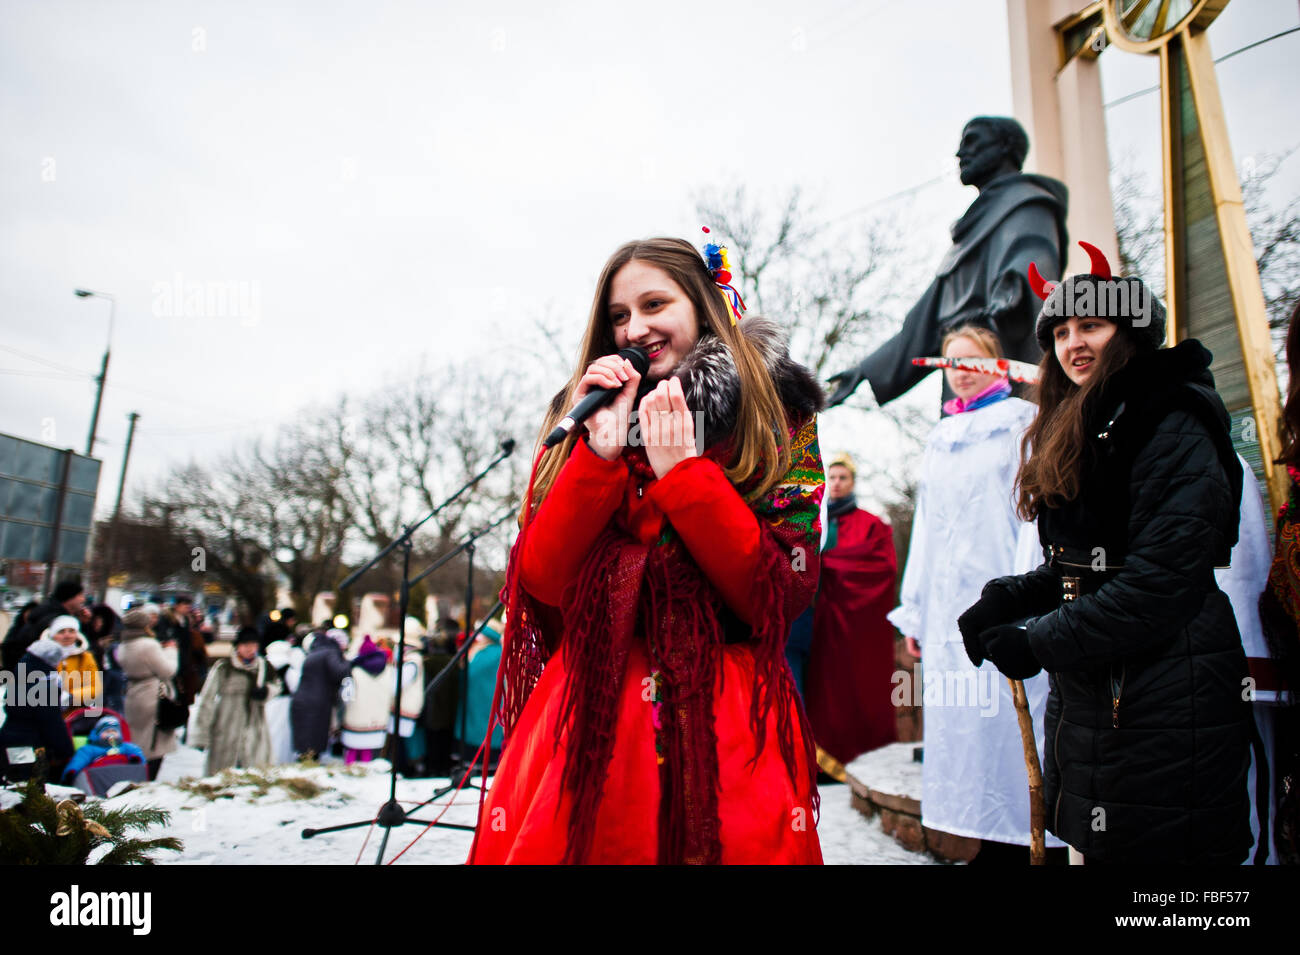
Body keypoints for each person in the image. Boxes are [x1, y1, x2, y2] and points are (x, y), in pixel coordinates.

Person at [468, 236, 826, 865]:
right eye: (619, 315)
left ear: (703, 305)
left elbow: (777, 594)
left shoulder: (777, 414)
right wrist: (596, 460)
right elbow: (544, 583)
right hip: (588, 712)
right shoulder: (586, 413)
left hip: (726, 713)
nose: (636, 327)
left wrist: (686, 474)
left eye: (654, 303)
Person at [958, 248, 1251, 864]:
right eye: (1061, 332)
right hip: (1099, 695)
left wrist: (1036, 642)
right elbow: (1084, 564)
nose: (1073, 343)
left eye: (1091, 325)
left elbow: (1157, 585)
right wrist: (1008, 598)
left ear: (1130, 330)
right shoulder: (1090, 422)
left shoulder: (1171, 418)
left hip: (1168, 693)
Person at [888, 324, 1062, 862]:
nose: (961, 370)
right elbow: (928, 529)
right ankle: (985, 837)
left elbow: (1031, 517)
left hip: (1001, 593)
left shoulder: (1020, 426)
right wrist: (915, 612)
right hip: (947, 610)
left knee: (1012, 722)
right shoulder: (942, 438)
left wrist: (1020, 599)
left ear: (996, 364)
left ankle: (1029, 838)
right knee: (966, 730)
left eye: (972, 360)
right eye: (951, 363)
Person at [826, 116, 1067, 410]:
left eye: (972, 141)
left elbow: (1033, 260)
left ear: (1005, 147)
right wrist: (863, 371)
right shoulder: (971, 229)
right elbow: (924, 323)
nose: (960, 153)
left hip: (1003, 378)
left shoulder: (1027, 204)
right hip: (960, 381)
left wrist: (1013, 285)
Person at [800, 453, 898, 775]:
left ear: (853, 482)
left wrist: (829, 566)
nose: (837, 483)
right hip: (818, 626)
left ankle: (864, 762)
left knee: (859, 689)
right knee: (821, 693)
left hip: (857, 630)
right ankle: (821, 765)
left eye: (843, 478)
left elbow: (882, 570)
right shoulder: (813, 522)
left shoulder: (873, 525)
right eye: (833, 477)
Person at [190, 627, 277, 775]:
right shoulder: (224, 668)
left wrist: (266, 692)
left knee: (254, 774)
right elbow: (207, 700)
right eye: (246, 645)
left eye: (254, 645)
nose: (250, 649)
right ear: (238, 646)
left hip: (255, 729)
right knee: (221, 774)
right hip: (226, 727)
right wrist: (201, 735)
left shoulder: (264, 667)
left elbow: (276, 686)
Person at [0, 636, 74, 782]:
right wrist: (66, 750)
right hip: (32, 747)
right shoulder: (46, 688)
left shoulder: (19, 675)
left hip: (7, 741)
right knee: (29, 790)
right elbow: (53, 726)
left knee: (11, 786)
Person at [118, 608, 180, 781]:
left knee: (137, 739)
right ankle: (146, 780)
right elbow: (168, 670)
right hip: (151, 695)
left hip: (133, 694)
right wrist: (171, 651)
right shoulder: (148, 645)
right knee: (154, 743)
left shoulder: (123, 645)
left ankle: (136, 776)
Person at [2, 580, 88, 676]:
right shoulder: (54, 620)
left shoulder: (45, 613)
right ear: (70, 597)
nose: (83, 599)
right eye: (80, 595)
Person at [292, 628, 353, 759]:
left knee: (305, 741)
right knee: (313, 741)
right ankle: (310, 765)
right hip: (317, 703)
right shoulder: (330, 652)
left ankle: (306, 764)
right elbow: (339, 671)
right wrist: (350, 663)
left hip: (303, 701)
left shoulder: (316, 652)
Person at [340, 635, 393, 764]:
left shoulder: (354, 671)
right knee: (369, 753)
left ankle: (350, 771)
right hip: (377, 719)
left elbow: (346, 695)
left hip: (355, 717)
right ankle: (366, 774)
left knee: (352, 750)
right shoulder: (388, 670)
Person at [61, 715, 145, 783]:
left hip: (124, 776)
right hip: (99, 779)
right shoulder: (90, 749)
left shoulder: (125, 747)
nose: (111, 734)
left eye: (114, 731)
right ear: (97, 734)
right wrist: (71, 772)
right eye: (107, 731)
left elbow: (136, 752)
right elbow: (79, 760)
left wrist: (135, 758)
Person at [47, 615, 102, 712]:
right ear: (53, 635)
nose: (67, 635)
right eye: (61, 631)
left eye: (71, 631)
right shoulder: (43, 657)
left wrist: (71, 696)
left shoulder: (85, 657)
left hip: (75, 716)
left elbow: (95, 688)